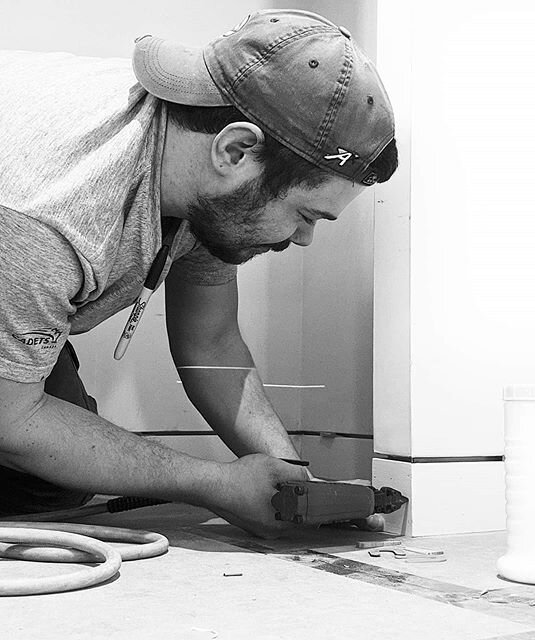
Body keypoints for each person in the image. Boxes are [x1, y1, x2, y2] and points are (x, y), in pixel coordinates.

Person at [0, 9, 398, 537]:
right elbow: (13, 419)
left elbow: (209, 343)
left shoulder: (210, 183)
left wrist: (299, 487)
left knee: (52, 481)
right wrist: (213, 483)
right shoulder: (47, 213)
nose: (303, 240)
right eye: (305, 215)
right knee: (33, 459)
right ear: (236, 149)